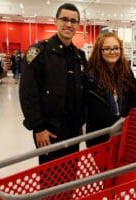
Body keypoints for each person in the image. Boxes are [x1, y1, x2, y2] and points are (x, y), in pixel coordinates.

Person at [19, 3, 87, 164]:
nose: (69, 24)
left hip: (73, 130)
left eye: (73, 21)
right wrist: (38, 128)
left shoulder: (80, 57)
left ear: (78, 25)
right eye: (64, 19)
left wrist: (81, 121)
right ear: (55, 21)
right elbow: (28, 94)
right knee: (50, 179)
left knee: (71, 176)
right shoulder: (39, 52)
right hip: (49, 130)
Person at [84, 32, 136, 147]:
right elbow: (94, 108)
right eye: (107, 49)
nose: (112, 52)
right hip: (100, 136)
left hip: (124, 134)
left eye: (115, 48)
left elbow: (133, 99)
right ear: (100, 51)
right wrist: (120, 122)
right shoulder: (91, 75)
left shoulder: (127, 72)